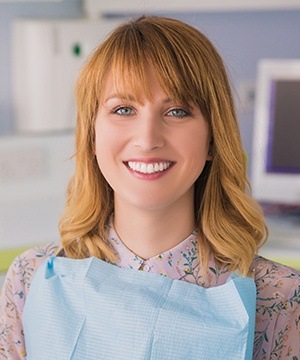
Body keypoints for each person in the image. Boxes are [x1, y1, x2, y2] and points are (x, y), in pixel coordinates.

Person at [0, 15, 299, 360]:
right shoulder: (31, 278)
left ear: (213, 138)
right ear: (92, 135)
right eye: (124, 109)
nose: (147, 138)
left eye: (176, 111)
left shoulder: (280, 299)